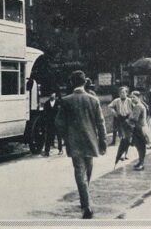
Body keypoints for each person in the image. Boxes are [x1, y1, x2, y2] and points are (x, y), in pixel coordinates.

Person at [55, 70, 107, 219]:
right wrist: (103, 142)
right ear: (85, 82)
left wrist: (66, 136)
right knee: (88, 170)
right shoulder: (93, 100)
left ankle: (86, 203)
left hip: (74, 142)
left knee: (79, 172)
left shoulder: (66, 100)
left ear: (71, 83)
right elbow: (101, 123)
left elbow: (59, 123)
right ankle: (86, 201)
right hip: (90, 141)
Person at [108, 86, 133, 160]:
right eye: (121, 93)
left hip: (128, 119)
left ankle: (125, 154)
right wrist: (114, 112)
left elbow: (135, 107)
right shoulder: (116, 100)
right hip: (120, 119)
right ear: (119, 94)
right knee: (122, 137)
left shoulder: (130, 100)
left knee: (128, 138)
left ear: (126, 93)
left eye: (124, 92)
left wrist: (132, 115)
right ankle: (121, 154)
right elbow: (110, 106)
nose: (122, 94)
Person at [129, 91, 148, 170]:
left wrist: (128, 118)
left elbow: (134, 118)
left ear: (138, 97)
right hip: (142, 127)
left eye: (134, 97)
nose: (132, 99)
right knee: (141, 146)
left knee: (140, 146)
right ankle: (140, 162)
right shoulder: (142, 105)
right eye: (131, 97)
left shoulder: (138, 106)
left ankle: (141, 163)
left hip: (138, 128)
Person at [42, 91, 63, 156]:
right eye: (51, 94)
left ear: (55, 95)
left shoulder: (58, 103)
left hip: (57, 122)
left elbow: (61, 112)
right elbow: (44, 113)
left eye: (53, 94)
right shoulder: (46, 103)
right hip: (49, 122)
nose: (52, 95)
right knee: (48, 136)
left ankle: (60, 149)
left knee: (59, 136)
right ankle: (47, 151)